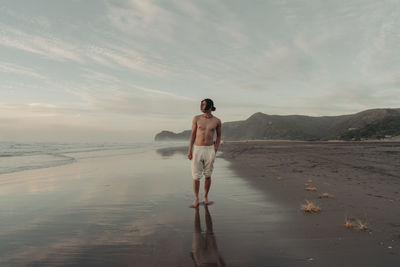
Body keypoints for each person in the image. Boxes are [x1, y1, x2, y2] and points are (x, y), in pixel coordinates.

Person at [188, 98, 222, 208]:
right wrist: (190, 150)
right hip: (197, 149)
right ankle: (196, 199)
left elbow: (219, 136)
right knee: (196, 176)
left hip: (209, 150)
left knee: (208, 175)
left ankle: (205, 197)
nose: (202, 107)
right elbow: (193, 135)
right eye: (201, 105)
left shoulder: (217, 121)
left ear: (210, 106)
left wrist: (215, 148)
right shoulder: (197, 118)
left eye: (204, 105)